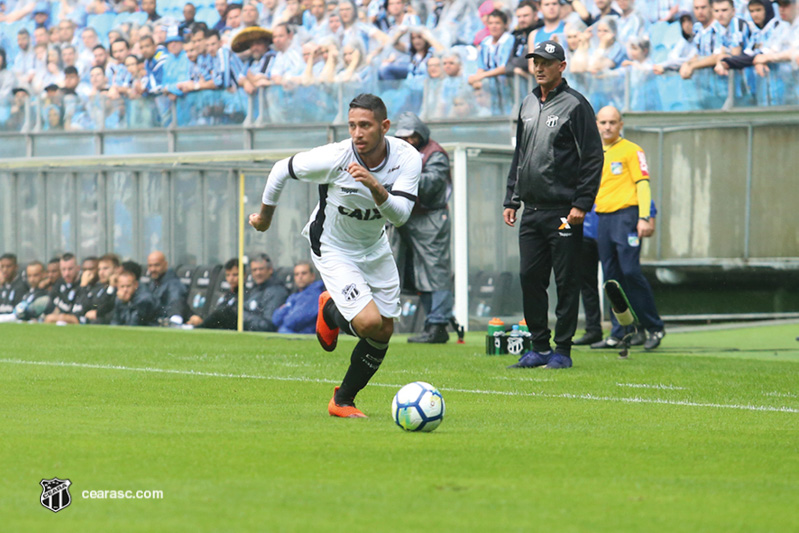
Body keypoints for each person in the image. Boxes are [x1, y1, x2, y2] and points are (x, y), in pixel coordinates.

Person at [249, 93, 421, 418]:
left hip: (374, 245)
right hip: (333, 246)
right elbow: (280, 170)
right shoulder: (335, 156)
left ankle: (342, 400)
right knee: (369, 322)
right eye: (352, 125)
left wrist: (375, 186)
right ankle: (330, 309)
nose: (358, 133)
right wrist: (265, 217)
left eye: (366, 125)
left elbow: (400, 216)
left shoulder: (408, 157)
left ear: (384, 126)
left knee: (385, 330)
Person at [503, 40, 603, 370]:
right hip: (531, 210)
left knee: (565, 280)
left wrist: (582, 203)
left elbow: (592, 157)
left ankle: (563, 349)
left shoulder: (576, 105)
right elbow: (520, 156)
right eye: (536, 62)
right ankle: (539, 347)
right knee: (530, 277)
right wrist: (511, 198)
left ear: (562, 66)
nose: (539, 67)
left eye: (547, 62)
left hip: (563, 212)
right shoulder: (528, 103)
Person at [590, 106, 666, 351]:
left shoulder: (632, 150)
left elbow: (643, 184)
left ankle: (654, 327)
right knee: (611, 278)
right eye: (603, 122)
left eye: (612, 122)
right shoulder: (592, 152)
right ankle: (621, 331)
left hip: (627, 216)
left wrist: (645, 216)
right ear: (597, 124)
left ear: (621, 124)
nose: (607, 127)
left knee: (631, 272)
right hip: (604, 218)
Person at [391, 112, 453, 343]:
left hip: (431, 219)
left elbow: (432, 184)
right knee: (418, 273)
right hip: (408, 218)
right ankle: (432, 323)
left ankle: (438, 324)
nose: (407, 141)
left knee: (434, 271)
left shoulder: (435, 154)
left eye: (411, 137)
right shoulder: (402, 153)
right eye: (403, 138)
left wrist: (399, 176)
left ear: (420, 135)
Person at [272, 261, 326, 333]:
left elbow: (294, 320)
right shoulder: (294, 296)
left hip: (307, 339)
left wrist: (286, 311)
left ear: (312, 276)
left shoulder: (315, 295)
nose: (300, 277)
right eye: (297, 274)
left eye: (304, 273)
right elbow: (275, 319)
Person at [241, 254, 289, 332]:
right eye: (254, 270)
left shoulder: (277, 292)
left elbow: (267, 325)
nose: (258, 273)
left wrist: (242, 316)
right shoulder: (254, 289)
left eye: (261, 269)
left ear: (270, 270)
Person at [144, 251, 189, 325]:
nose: (152, 269)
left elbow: (176, 303)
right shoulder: (153, 283)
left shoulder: (174, 284)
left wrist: (174, 320)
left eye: (156, 265)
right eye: (150, 266)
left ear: (165, 265)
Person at [43, 253, 82, 322]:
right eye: (63, 269)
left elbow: (76, 318)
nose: (66, 273)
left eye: (70, 269)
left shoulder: (82, 285)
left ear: (78, 268)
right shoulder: (59, 284)